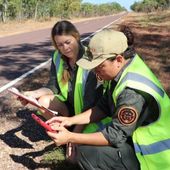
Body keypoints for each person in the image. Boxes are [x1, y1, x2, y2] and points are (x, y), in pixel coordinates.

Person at [46, 28, 170, 170]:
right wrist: (70, 120)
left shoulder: (131, 93)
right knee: (87, 143)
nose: (95, 72)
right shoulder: (124, 67)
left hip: (155, 158)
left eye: (99, 66)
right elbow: (103, 107)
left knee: (87, 153)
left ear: (118, 59)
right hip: (136, 139)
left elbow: (115, 135)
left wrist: (71, 137)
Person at [18, 20, 105, 160]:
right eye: (60, 45)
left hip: (87, 113)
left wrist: (73, 138)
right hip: (68, 108)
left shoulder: (90, 59)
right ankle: (64, 132)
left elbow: (90, 105)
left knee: (73, 161)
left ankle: (69, 136)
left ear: (76, 36)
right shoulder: (57, 57)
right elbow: (53, 86)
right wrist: (33, 94)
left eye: (68, 42)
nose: (65, 48)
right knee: (43, 101)